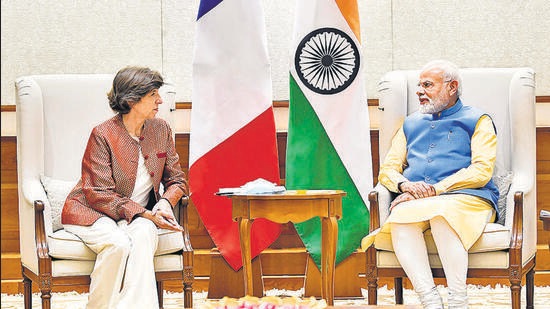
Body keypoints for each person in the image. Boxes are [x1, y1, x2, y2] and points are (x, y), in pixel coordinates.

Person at [367, 60, 499, 309]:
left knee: (441, 215)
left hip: (468, 198)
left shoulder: (478, 119)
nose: (419, 91)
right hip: (417, 199)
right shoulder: (410, 123)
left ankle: (459, 301)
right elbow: (388, 169)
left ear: (452, 87)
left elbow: (482, 171)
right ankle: (430, 301)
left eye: (427, 85)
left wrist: (435, 191)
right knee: (401, 217)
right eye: (419, 85)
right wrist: (405, 185)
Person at [61, 66, 187, 309]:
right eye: (153, 95)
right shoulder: (103, 134)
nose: (160, 100)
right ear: (131, 100)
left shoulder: (161, 129)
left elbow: (177, 180)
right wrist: (145, 214)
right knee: (117, 244)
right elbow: (98, 193)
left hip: (135, 214)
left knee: (144, 233)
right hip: (91, 212)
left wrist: (162, 205)